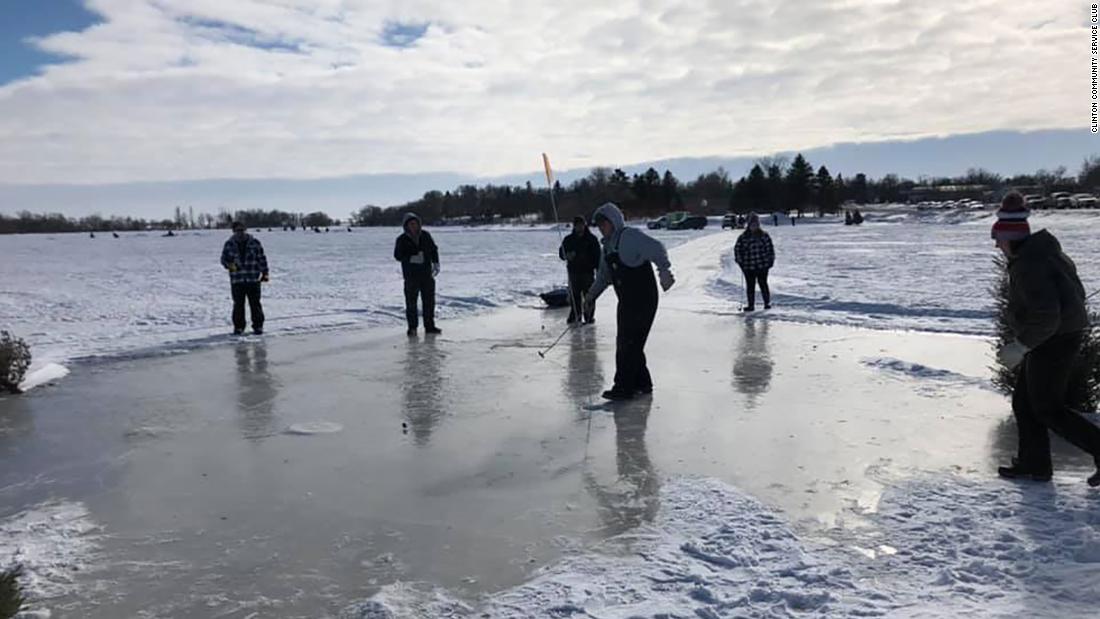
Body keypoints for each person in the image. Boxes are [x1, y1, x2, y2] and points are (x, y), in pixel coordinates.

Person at [992, 192, 1100, 486]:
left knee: (1047, 407)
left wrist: (1021, 346)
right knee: (1025, 403)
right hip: (1058, 334)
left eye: (998, 238)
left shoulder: (1031, 264)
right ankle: (1034, 464)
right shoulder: (1043, 253)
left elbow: (1046, 316)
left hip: (1054, 338)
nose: (996, 245)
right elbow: (1073, 296)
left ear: (1011, 238)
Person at [584, 203, 674, 401]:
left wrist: (664, 271)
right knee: (628, 343)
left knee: (629, 344)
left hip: (644, 299)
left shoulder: (629, 237)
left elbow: (657, 248)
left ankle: (624, 387)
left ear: (614, 222)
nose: (601, 228)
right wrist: (590, 297)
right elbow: (603, 278)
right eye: (599, 225)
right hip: (626, 301)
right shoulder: (607, 248)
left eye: (604, 224)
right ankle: (642, 383)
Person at [394, 213, 441, 336]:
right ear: (406, 226)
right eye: (411, 224)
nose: (413, 226)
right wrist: (411, 258)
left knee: (429, 302)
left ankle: (430, 326)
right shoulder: (402, 239)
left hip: (426, 275)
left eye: (415, 223)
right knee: (411, 303)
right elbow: (398, 255)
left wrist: (436, 262)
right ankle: (412, 328)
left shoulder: (425, 235)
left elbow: (433, 249)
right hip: (411, 276)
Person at [220, 221, 269, 335]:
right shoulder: (229, 244)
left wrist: (265, 272)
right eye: (237, 230)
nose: (240, 233)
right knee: (238, 304)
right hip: (237, 280)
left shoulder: (255, 243)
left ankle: (258, 326)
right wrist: (231, 266)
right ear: (234, 231)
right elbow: (223, 260)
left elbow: (261, 258)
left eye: (242, 230)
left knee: (255, 304)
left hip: (253, 279)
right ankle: (239, 327)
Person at [559, 215, 602, 324]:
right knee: (575, 296)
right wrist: (566, 255)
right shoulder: (569, 239)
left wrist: (599, 271)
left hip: (588, 273)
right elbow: (561, 253)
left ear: (584, 225)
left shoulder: (592, 239)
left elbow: (598, 256)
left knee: (589, 296)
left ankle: (589, 317)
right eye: (577, 225)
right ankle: (576, 315)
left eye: (581, 225)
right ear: (574, 226)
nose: (579, 227)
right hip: (574, 273)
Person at [733, 212, 775, 311]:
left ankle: (767, 303)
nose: (754, 226)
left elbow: (770, 249)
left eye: (756, 224)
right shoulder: (743, 237)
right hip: (748, 266)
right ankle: (751, 305)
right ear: (749, 225)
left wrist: (770, 260)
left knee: (763, 284)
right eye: (752, 224)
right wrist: (739, 260)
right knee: (750, 286)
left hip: (762, 265)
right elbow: (737, 249)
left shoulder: (764, 235)